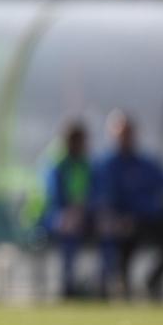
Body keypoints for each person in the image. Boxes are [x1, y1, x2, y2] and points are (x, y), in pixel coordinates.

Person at [94, 110, 163, 299]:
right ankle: (119, 286)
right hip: (119, 222)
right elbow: (102, 198)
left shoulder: (146, 164)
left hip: (148, 219)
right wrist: (115, 217)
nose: (125, 138)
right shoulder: (106, 165)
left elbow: (162, 186)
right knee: (121, 236)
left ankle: (153, 279)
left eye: (128, 133)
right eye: (121, 133)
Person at [43, 121, 95, 298]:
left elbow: (92, 193)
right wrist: (72, 211)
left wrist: (83, 209)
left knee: (108, 230)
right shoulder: (56, 163)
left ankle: (102, 284)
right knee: (68, 228)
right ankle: (68, 284)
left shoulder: (85, 164)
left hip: (80, 216)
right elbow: (53, 197)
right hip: (49, 218)